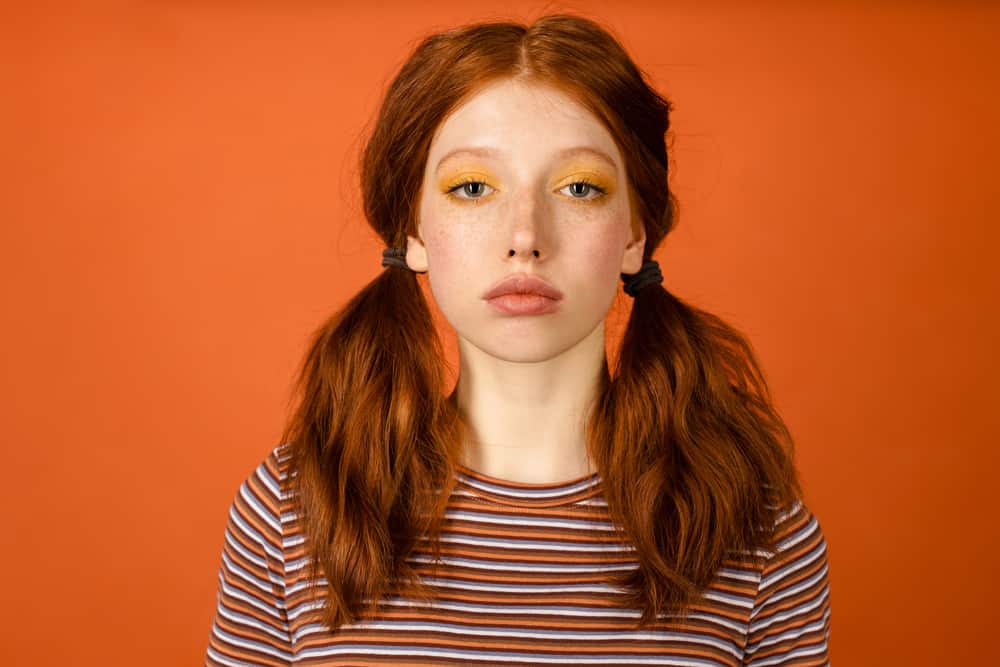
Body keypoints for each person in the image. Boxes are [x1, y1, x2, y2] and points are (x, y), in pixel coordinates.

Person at [205, 13, 831, 667]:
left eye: (579, 187)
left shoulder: (762, 533)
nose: (525, 235)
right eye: (472, 187)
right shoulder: (288, 512)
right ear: (413, 231)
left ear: (634, 234)